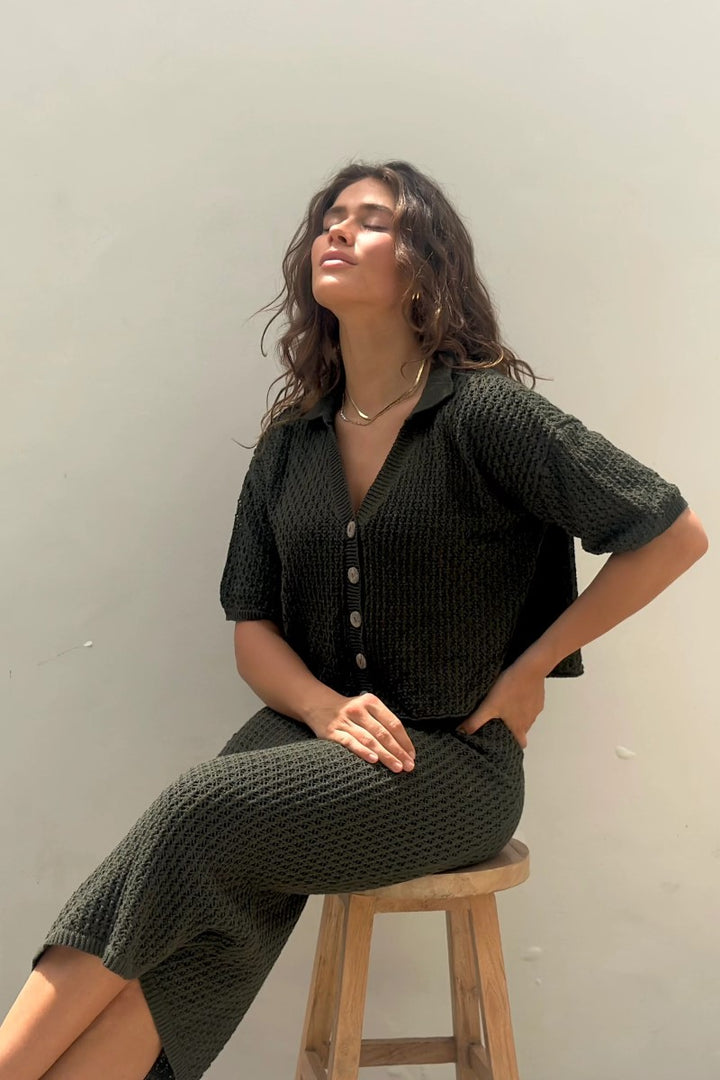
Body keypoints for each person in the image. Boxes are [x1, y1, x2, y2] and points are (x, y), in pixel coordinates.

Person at [0, 160, 708, 1080]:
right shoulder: (289, 444)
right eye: (330, 217)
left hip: (450, 761)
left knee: (199, 812)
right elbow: (252, 625)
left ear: (423, 264)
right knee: (207, 915)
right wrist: (325, 708)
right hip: (307, 737)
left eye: (371, 220)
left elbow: (671, 533)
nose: (336, 230)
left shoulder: (486, 414)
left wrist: (533, 665)